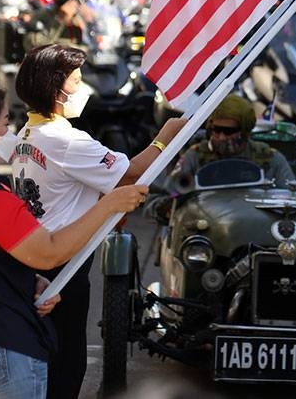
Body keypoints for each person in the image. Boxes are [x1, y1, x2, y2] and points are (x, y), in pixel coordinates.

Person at [0, 80, 152, 398]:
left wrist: (31, 281)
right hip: (3, 345)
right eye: (4, 123)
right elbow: (49, 253)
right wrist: (109, 205)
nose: (9, 132)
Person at [12, 43, 184, 399]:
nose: (82, 88)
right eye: (76, 80)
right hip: (63, 263)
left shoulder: (28, 133)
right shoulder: (66, 140)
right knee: (65, 365)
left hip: (34, 258)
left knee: (42, 362)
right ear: (56, 87)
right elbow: (131, 173)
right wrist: (166, 137)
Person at [169, 94, 294, 188]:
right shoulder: (195, 156)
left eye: (228, 131)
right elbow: (168, 194)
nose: (222, 137)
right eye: (217, 130)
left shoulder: (270, 158)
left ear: (244, 131)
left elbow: (290, 196)